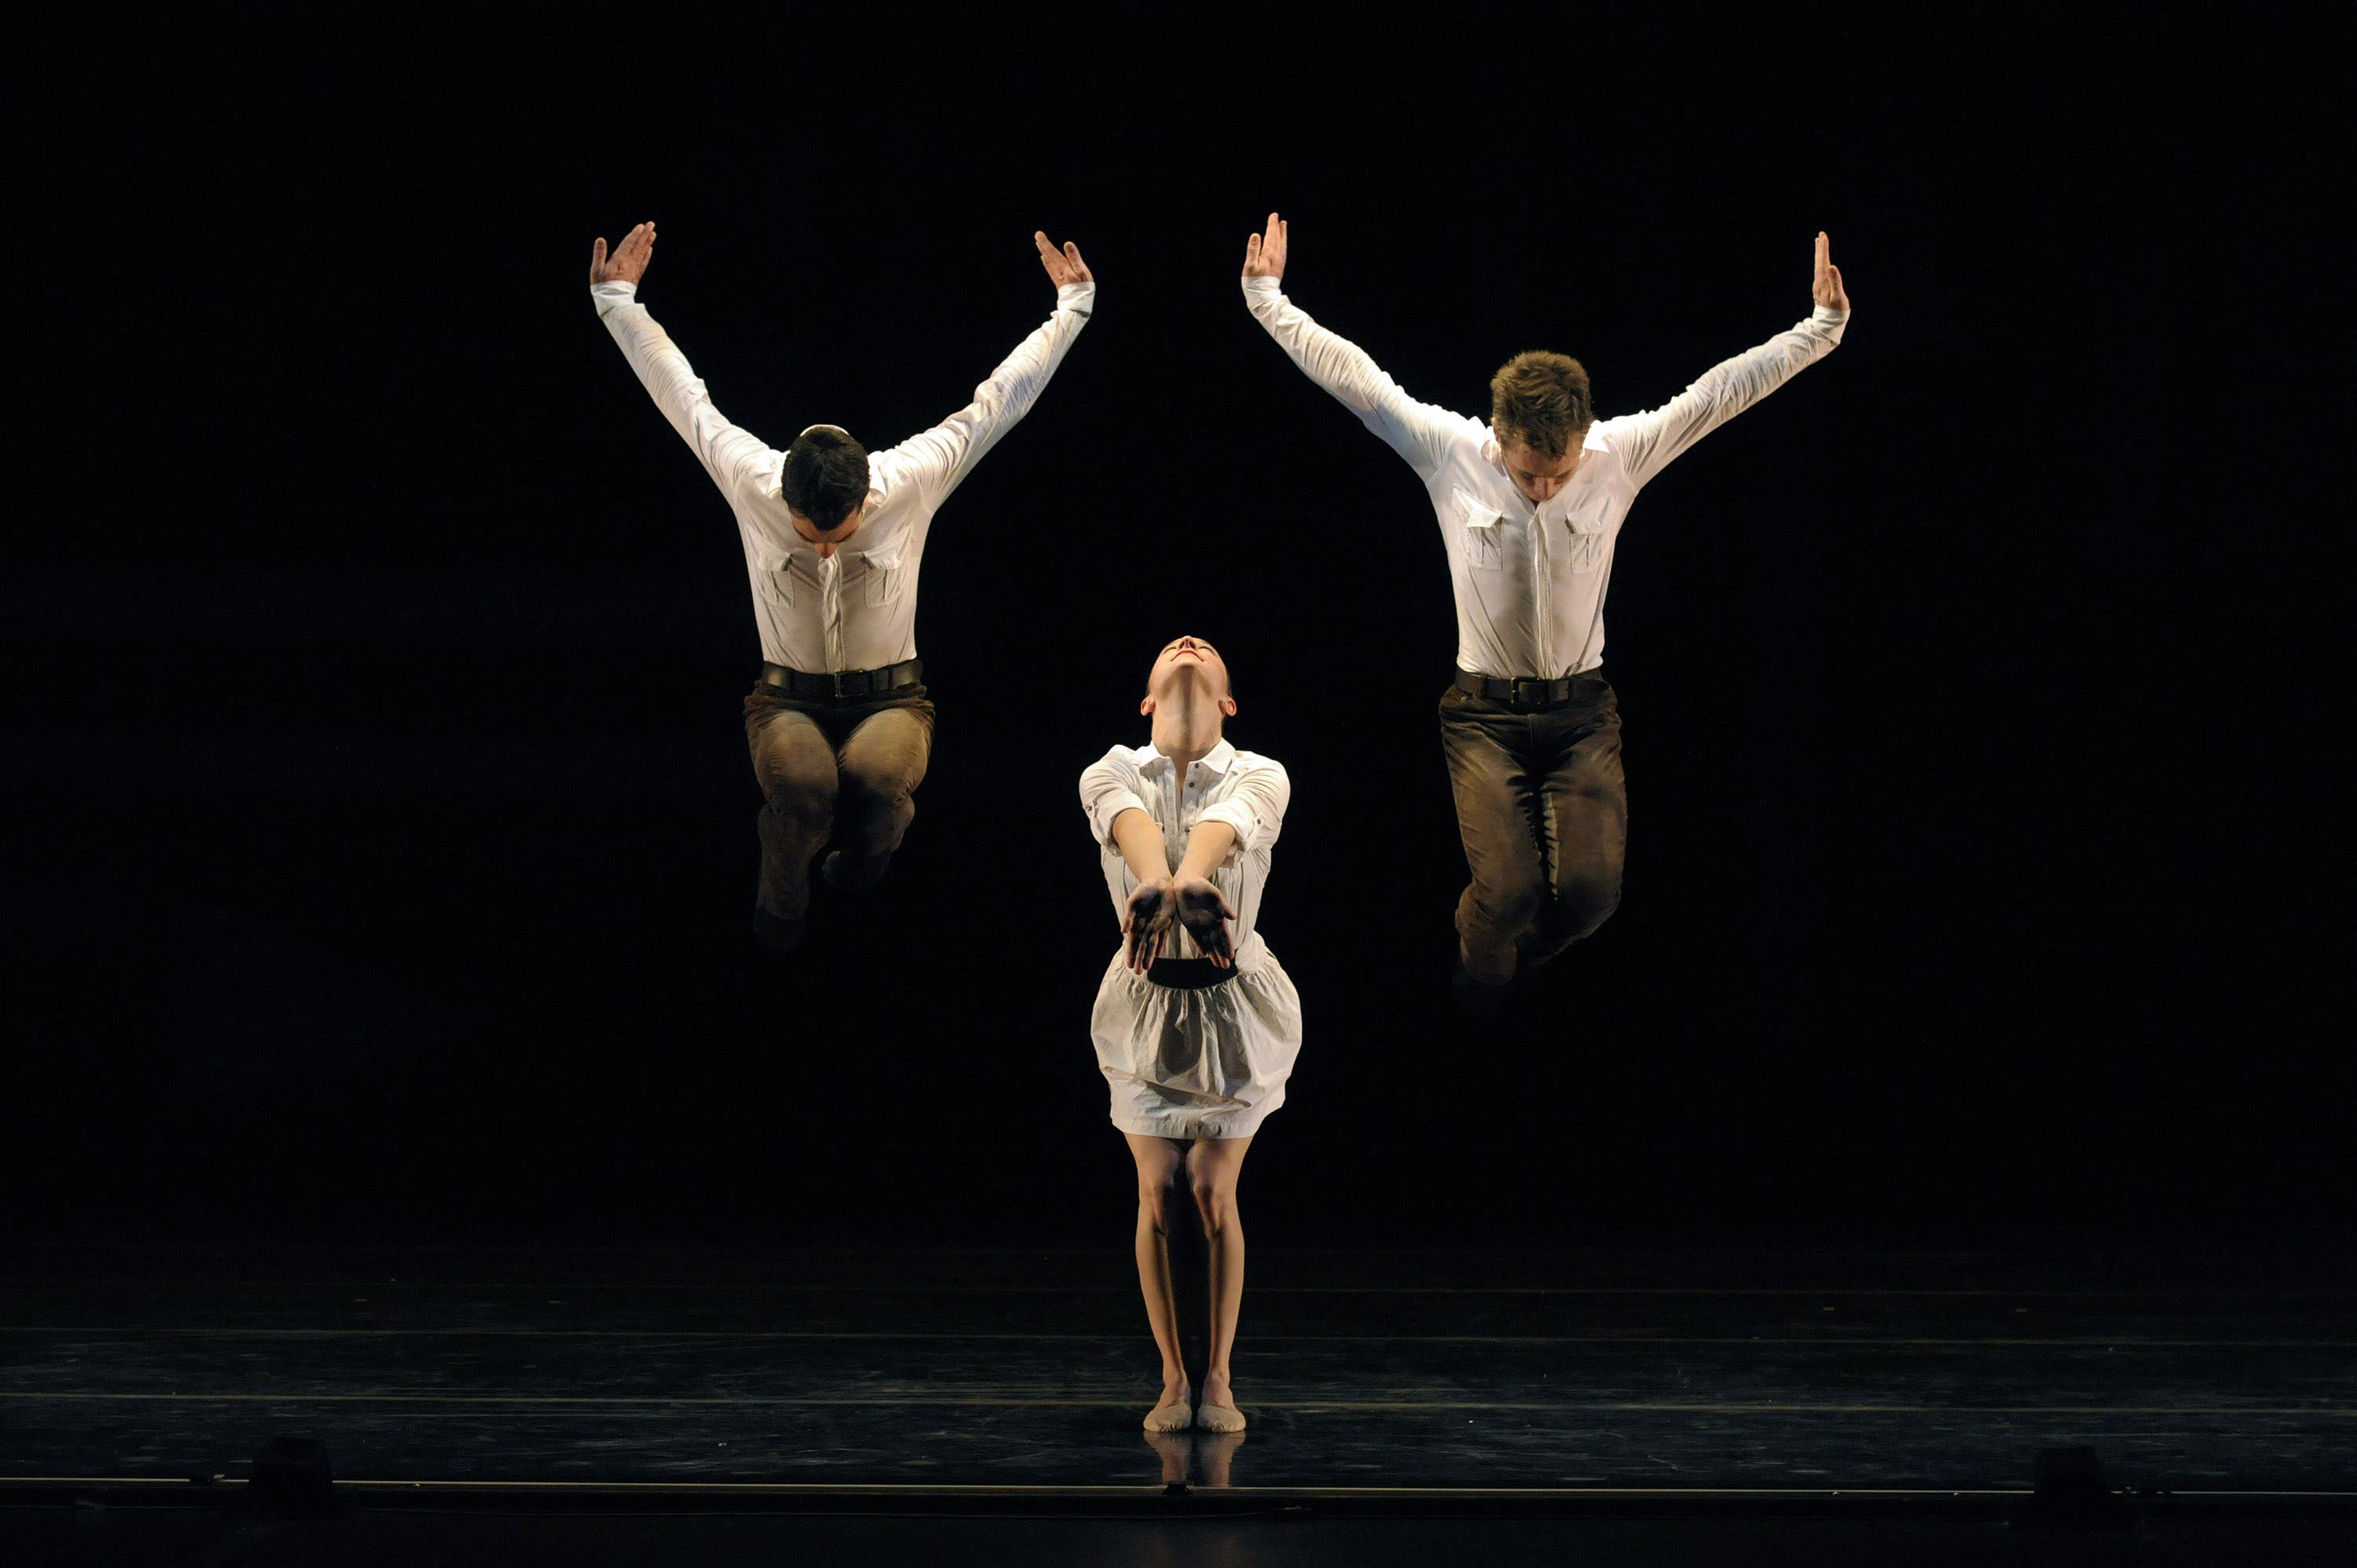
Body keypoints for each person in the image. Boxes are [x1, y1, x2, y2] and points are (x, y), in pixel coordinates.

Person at [1237, 214, 1849, 1013]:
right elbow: (1355, 378)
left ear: (1583, 436)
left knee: (1593, 898)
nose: (1547, 489)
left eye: (1560, 473)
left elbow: (1720, 393)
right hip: (1483, 716)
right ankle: (1477, 994)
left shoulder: (1620, 454)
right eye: (1530, 476)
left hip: (1582, 713)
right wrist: (1267, 298)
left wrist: (1821, 328)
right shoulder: (1449, 451)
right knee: (1508, 892)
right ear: (1499, 434)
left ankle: (1515, 976)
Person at [588, 221, 1097, 950]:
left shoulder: (911, 478)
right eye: (809, 536)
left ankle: (862, 868)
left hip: (890, 698)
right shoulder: (752, 479)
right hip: (786, 700)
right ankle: (780, 914)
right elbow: (683, 398)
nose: (826, 549)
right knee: (805, 794)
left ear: (867, 496)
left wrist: (1072, 308)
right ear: (785, 498)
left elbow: (998, 403)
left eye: (841, 534)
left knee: (877, 785)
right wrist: (616, 301)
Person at [1080, 636, 1297, 1433]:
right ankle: (1174, 1379)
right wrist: (1156, 880)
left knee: (1209, 1187)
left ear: (1227, 703)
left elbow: (1229, 824)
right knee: (1159, 1190)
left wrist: (1195, 876)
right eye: (1174, 648)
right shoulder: (1110, 770)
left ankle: (1218, 1379)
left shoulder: (1260, 773)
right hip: (1144, 1009)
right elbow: (1128, 822)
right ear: (1147, 702)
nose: (1188, 645)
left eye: (1204, 651)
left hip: (1235, 1011)